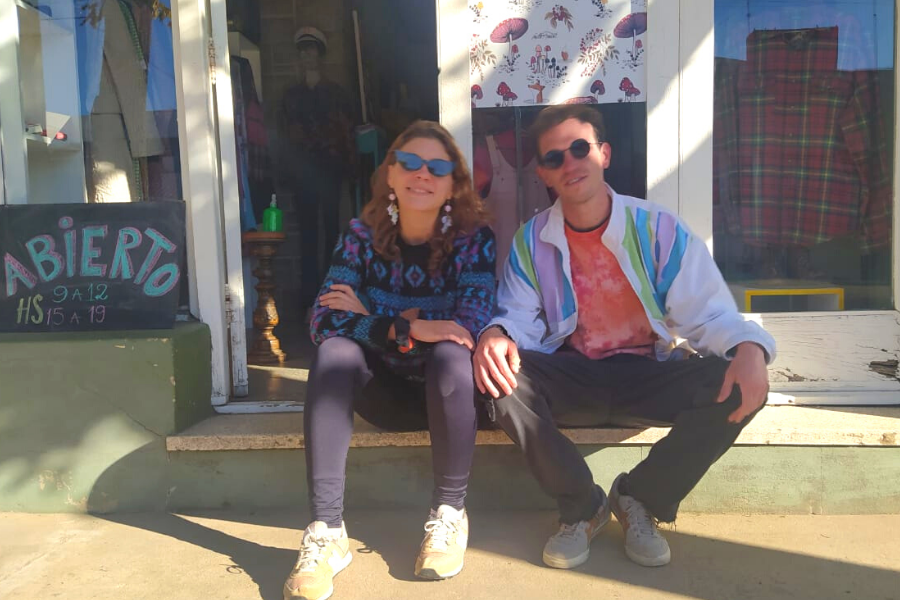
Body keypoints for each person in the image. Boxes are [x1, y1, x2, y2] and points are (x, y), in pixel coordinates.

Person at [473, 105, 776, 569]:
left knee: (739, 382)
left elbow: (708, 313)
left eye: (580, 148)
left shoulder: (657, 229)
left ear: (605, 154)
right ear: (543, 174)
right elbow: (518, 317)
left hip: (647, 373)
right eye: (554, 157)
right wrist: (496, 333)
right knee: (499, 378)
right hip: (574, 375)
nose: (570, 163)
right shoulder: (530, 240)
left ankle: (641, 498)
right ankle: (583, 506)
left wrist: (750, 347)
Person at [283, 121, 496, 600]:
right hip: (381, 394)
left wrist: (370, 316)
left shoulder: (474, 240)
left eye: (437, 167)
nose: (423, 174)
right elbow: (322, 321)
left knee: (450, 354)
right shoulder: (360, 237)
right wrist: (408, 326)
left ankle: (449, 514)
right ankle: (327, 531)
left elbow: (467, 328)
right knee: (334, 353)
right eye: (410, 163)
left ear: (453, 184)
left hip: (450, 396)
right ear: (392, 175)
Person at [279, 26, 356, 314]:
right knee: (307, 235)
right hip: (303, 174)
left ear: (320, 55)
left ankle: (331, 296)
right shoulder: (291, 96)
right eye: (303, 52)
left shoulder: (335, 94)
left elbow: (345, 131)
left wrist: (347, 167)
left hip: (329, 171)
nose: (307, 56)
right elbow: (286, 136)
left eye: (311, 51)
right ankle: (309, 298)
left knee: (332, 232)